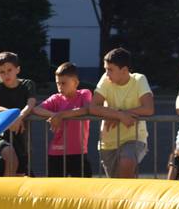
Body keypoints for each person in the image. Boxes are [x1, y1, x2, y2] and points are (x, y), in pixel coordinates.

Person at [89, 48, 154, 178]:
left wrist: (118, 114)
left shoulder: (139, 79)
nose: (107, 74)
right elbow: (93, 107)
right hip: (108, 142)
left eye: (110, 70)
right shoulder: (105, 80)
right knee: (117, 184)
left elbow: (148, 108)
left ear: (124, 70)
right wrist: (119, 115)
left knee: (127, 162)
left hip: (134, 139)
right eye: (105, 69)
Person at [32, 62, 92, 177]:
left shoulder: (84, 93)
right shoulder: (55, 98)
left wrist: (61, 115)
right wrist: (54, 115)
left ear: (75, 82)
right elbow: (36, 110)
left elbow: (86, 109)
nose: (60, 87)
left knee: (82, 189)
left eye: (64, 83)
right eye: (58, 83)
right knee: (54, 189)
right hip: (56, 152)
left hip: (78, 152)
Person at [0, 52, 36, 176]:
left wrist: (20, 117)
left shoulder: (27, 84)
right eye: (2, 72)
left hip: (21, 135)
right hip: (3, 133)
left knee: (21, 171)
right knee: (11, 160)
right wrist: (14, 116)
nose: (6, 74)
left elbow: (31, 104)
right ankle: (3, 194)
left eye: (9, 70)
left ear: (18, 69)